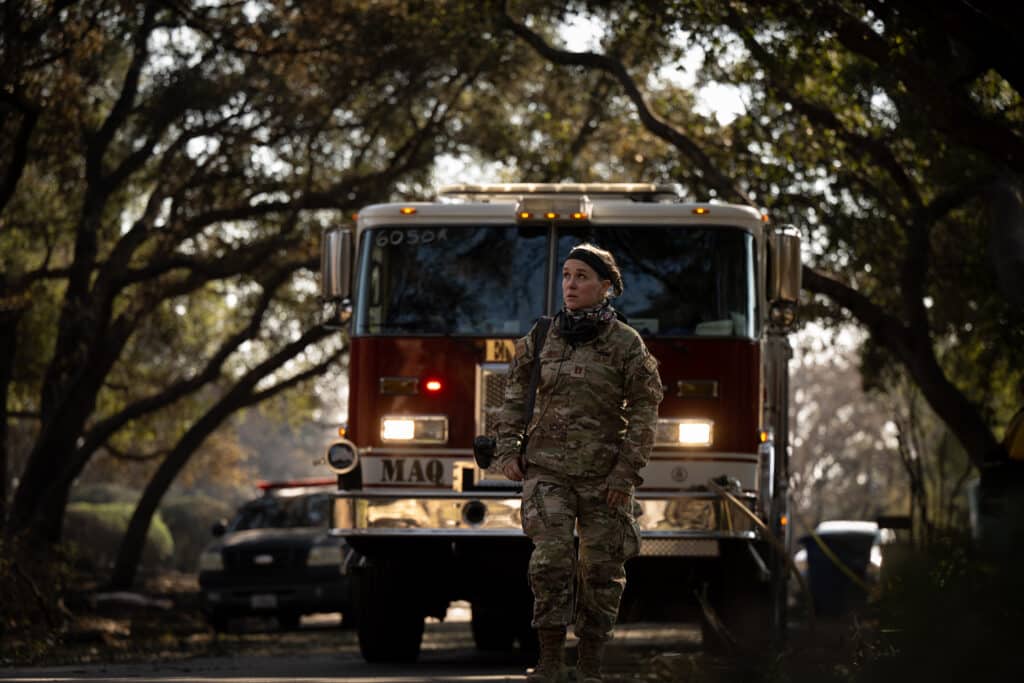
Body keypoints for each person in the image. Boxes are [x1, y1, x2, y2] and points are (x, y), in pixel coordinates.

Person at [493, 243, 663, 683]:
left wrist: (626, 474)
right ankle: (550, 662)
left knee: (601, 570)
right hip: (546, 472)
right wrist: (508, 450)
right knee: (549, 562)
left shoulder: (627, 344)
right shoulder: (542, 334)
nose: (570, 285)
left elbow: (646, 411)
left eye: (581, 277)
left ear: (605, 287)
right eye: (566, 276)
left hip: (604, 476)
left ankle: (590, 666)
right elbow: (513, 397)